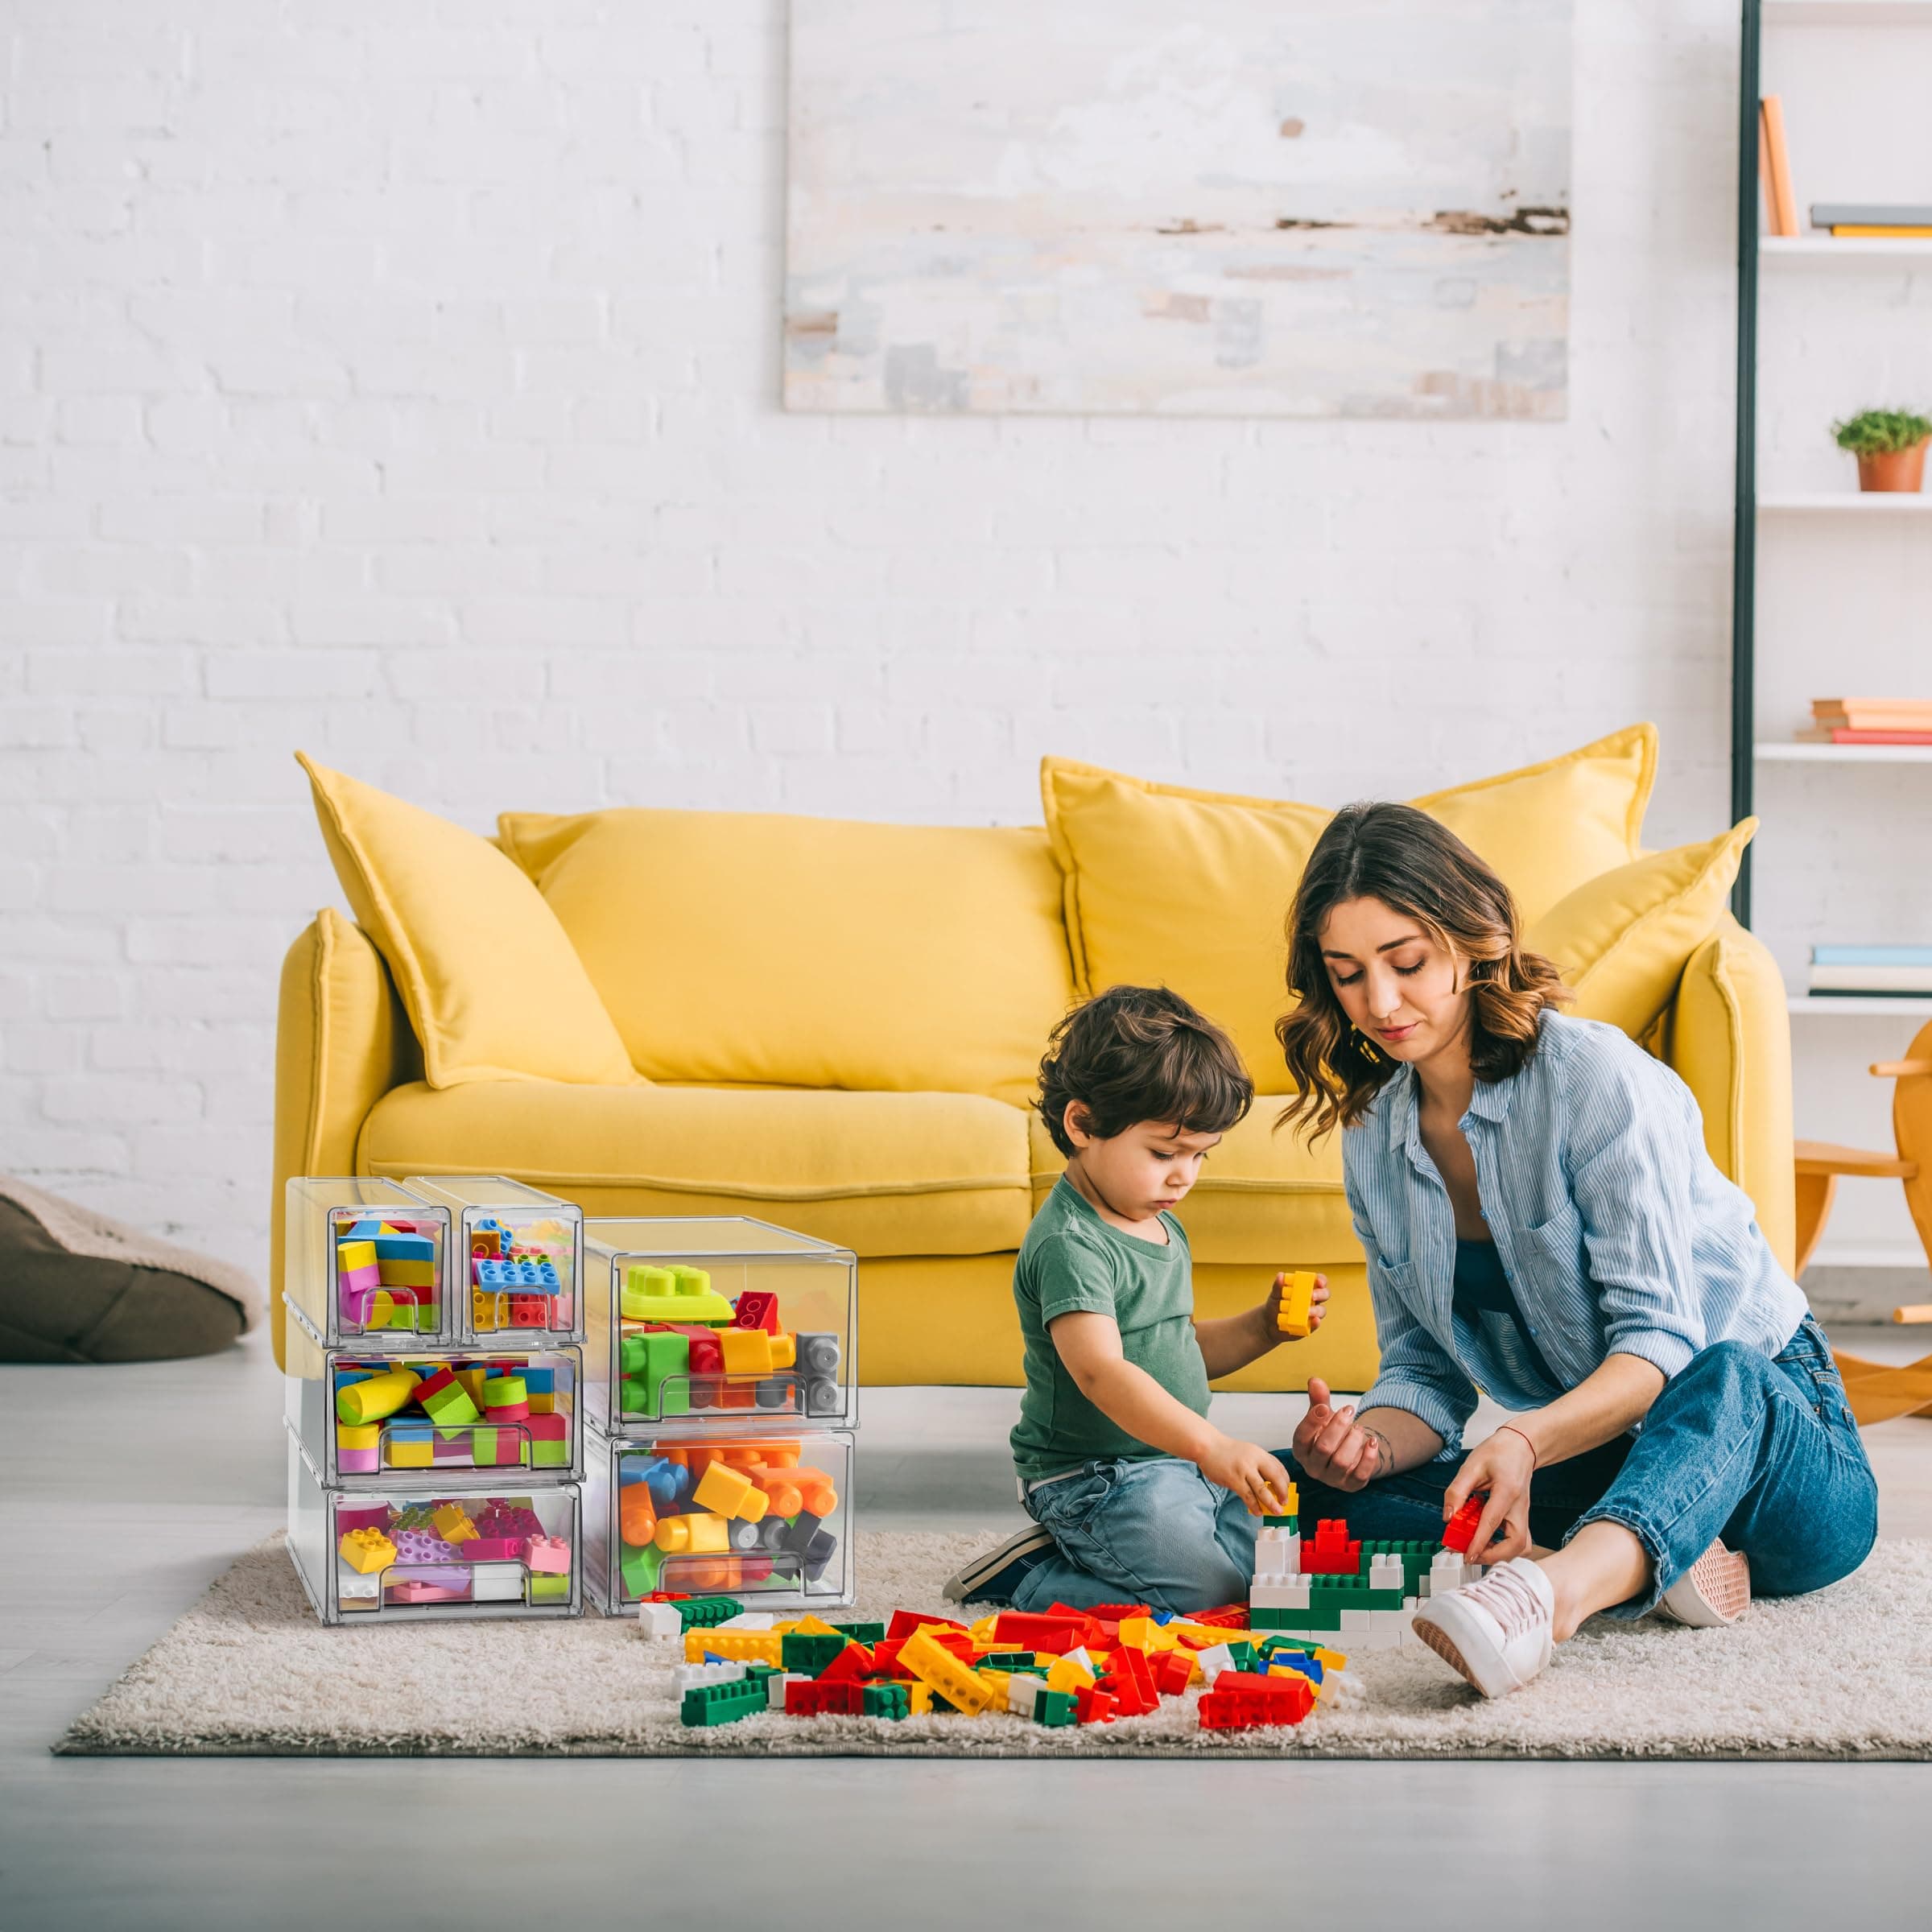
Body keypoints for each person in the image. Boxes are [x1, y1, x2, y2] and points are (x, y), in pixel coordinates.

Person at [1273, 802, 1877, 1698]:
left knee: (1726, 1370)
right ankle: (1644, 1556)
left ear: (1473, 941)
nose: (1382, 1004)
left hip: (1777, 1453)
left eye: (1407, 964)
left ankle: (1547, 1596)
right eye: (1349, 976)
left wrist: (1520, 1439)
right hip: (1611, 1462)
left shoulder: (1593, 1080)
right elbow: (1423, 1378)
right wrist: (1359, 1446)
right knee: (1294, 1491)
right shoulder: (1376, 1135)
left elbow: (1662, 1347)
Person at [942, 985, 1331, 1612]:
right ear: (1083, 1124)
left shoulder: (1156, 1218)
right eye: (1164, 1153)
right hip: (1094, 1479)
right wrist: (1211, 1446)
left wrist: (1263, 1328)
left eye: (1200, 1156)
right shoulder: (1072, 1244)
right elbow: (1103, 1372)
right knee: (1211, 1596)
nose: (1184, 1176)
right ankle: (1031, 1576)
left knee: (1268, 1570)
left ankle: (1127, 1553)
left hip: (1176, 1461)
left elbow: (1172, 1348)